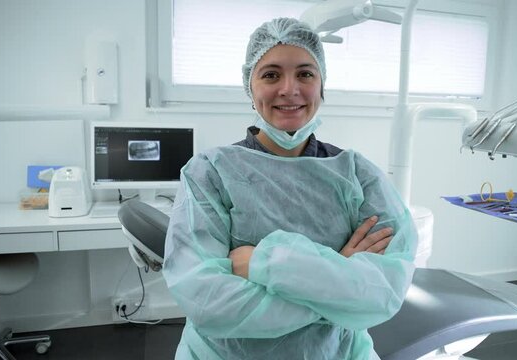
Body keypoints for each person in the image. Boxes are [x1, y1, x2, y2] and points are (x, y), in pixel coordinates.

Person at [162, 17, 418, 360]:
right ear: (249, 88)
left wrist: (264, 264)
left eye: (305, 74)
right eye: (270, 75)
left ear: (322, 85)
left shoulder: (358, 175)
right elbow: (208, 302)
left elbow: (383, 293)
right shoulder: (210, 172)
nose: (289, 89)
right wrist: (337, 278)